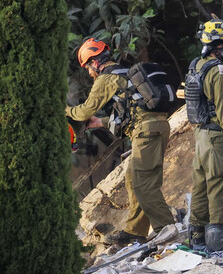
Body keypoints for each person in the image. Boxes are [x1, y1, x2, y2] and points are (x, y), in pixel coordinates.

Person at [67, 38, 176, 245]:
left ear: (94, 62)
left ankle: (167, 230)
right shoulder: (122, 73)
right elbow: (132, 112)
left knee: (144, 184)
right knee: (132, 178)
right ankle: (136, 231)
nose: (89, 73)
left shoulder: (105, 79)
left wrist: (63, 110)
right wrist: (100, 122)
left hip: (147, 132)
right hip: (152, 127)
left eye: (88, 67)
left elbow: (84, 111)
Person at [184, 20, 223, 250]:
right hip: (218, 138)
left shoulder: (197, 64)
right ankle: (217, 245)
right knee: (220, 189)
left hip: (200, 136)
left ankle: (196, 238)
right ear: (218, 45)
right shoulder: (219, 72)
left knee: (199, 187)